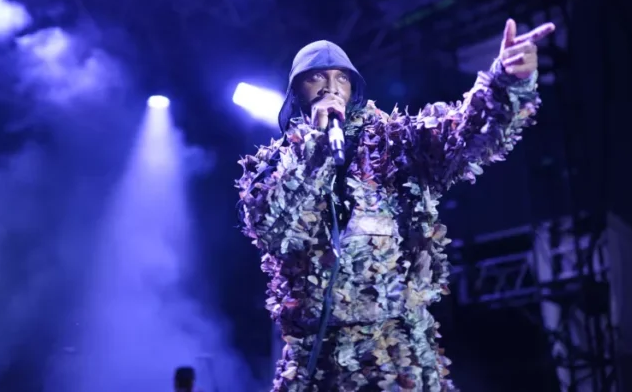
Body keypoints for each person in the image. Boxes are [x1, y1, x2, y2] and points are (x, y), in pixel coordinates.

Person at [237, 19, 555, 391]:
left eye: (341, 77)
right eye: (317, 77)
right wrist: (317, 150)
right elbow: (275, 232)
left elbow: (462, 133)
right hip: (317, 356)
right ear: (297, 91)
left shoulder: (395, 143)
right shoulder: (272, 166)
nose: (330, 87)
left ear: (354, 87)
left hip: (396, 348)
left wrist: (505, 81)